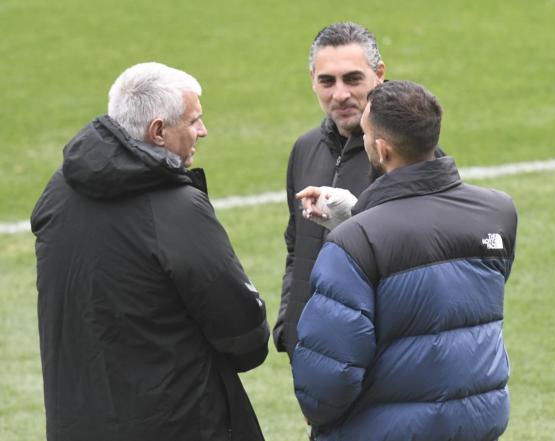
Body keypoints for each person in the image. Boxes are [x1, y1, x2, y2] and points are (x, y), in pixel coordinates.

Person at [31, 62, 269, 441]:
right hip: (179, 423)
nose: (203, 131)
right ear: (158, 131)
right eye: (194, 121)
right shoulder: (177, 210)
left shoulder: (58, 191)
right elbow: (244, 336)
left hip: (77, 422)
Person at [292, 80, 518, 441]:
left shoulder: (353, 243)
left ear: (381, 149)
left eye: (365, 134)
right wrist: (359, 211)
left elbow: (328, 376)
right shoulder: (497, 212)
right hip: (475, 426)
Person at [272, 22, 386, 358]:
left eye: (352, 79)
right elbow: (296, 246)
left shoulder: (401, 151)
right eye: (327, 81)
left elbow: (417, 258)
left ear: (379, 74)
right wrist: (288, 325)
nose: (339, 94)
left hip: (372, 357)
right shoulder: (305, 148)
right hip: (312, 354)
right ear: (312, 80)